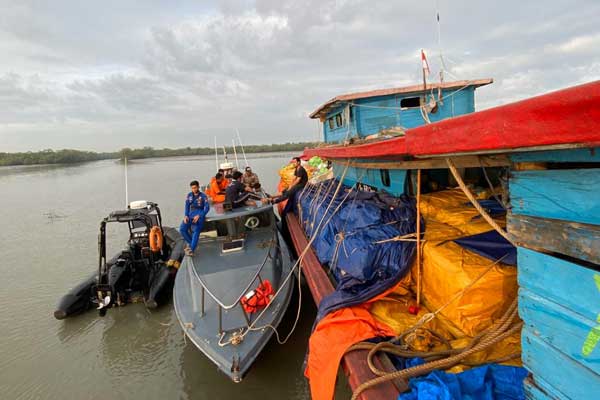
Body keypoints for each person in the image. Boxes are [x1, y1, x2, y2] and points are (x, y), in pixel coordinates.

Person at [179, 180, 210, 256]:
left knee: (196, 231)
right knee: (182, 229)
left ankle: (191, 249)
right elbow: (187, 206)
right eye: (192, 188)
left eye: (195, 188)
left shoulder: (203, 196)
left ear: (198, 187)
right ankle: (192, 243)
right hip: (190, 214)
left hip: (199, 214)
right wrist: (186, 215)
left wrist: (200, 215)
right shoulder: (189, 195)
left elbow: (207, 208)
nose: (194, 189)